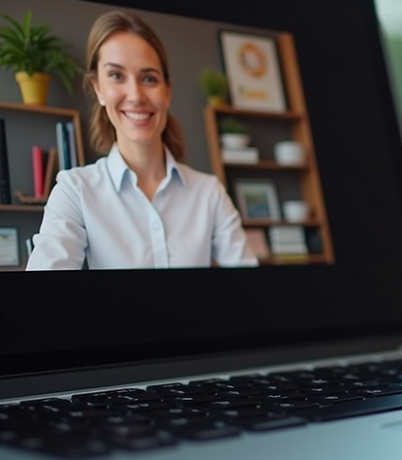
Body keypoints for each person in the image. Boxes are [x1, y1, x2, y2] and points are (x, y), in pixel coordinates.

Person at [27, 10, 257, 270]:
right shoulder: (75, 191)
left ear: (167, 91)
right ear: (98, 88)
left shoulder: (209, 193)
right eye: (116, 76)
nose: (136, 95)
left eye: (148, 78)